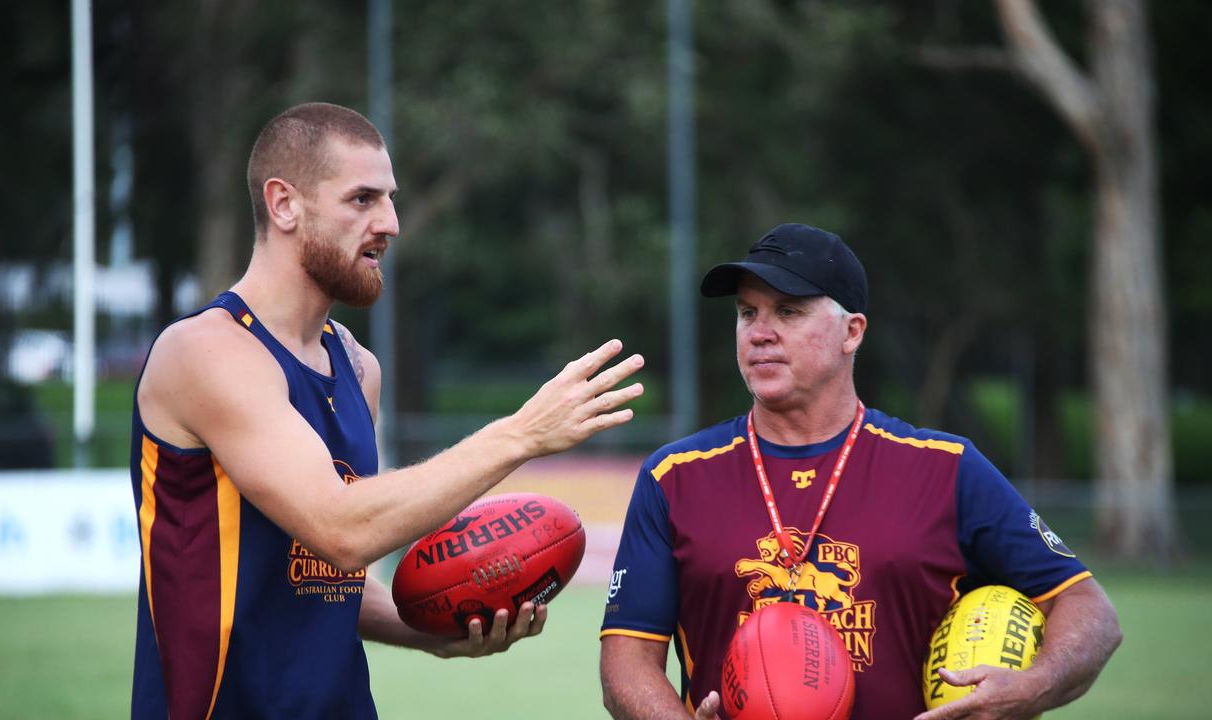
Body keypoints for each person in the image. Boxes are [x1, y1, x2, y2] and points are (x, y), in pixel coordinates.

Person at [129, 102, 645, 719]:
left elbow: (325, 578)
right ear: (284, 204)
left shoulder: (357, 367)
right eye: (362, 199)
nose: (391, 222)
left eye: (390, 199)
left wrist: (437, 633)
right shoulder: (206, 352)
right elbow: (341, 530)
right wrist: (521, 435)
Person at [599, 223, 1121, 720]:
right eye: (746, 312)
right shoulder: (674, 477)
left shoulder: (946, 468)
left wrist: (1030, 687)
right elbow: (626, 660)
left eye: (787, 311)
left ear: (852, 332)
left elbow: (1086, 607)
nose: (760, 333)